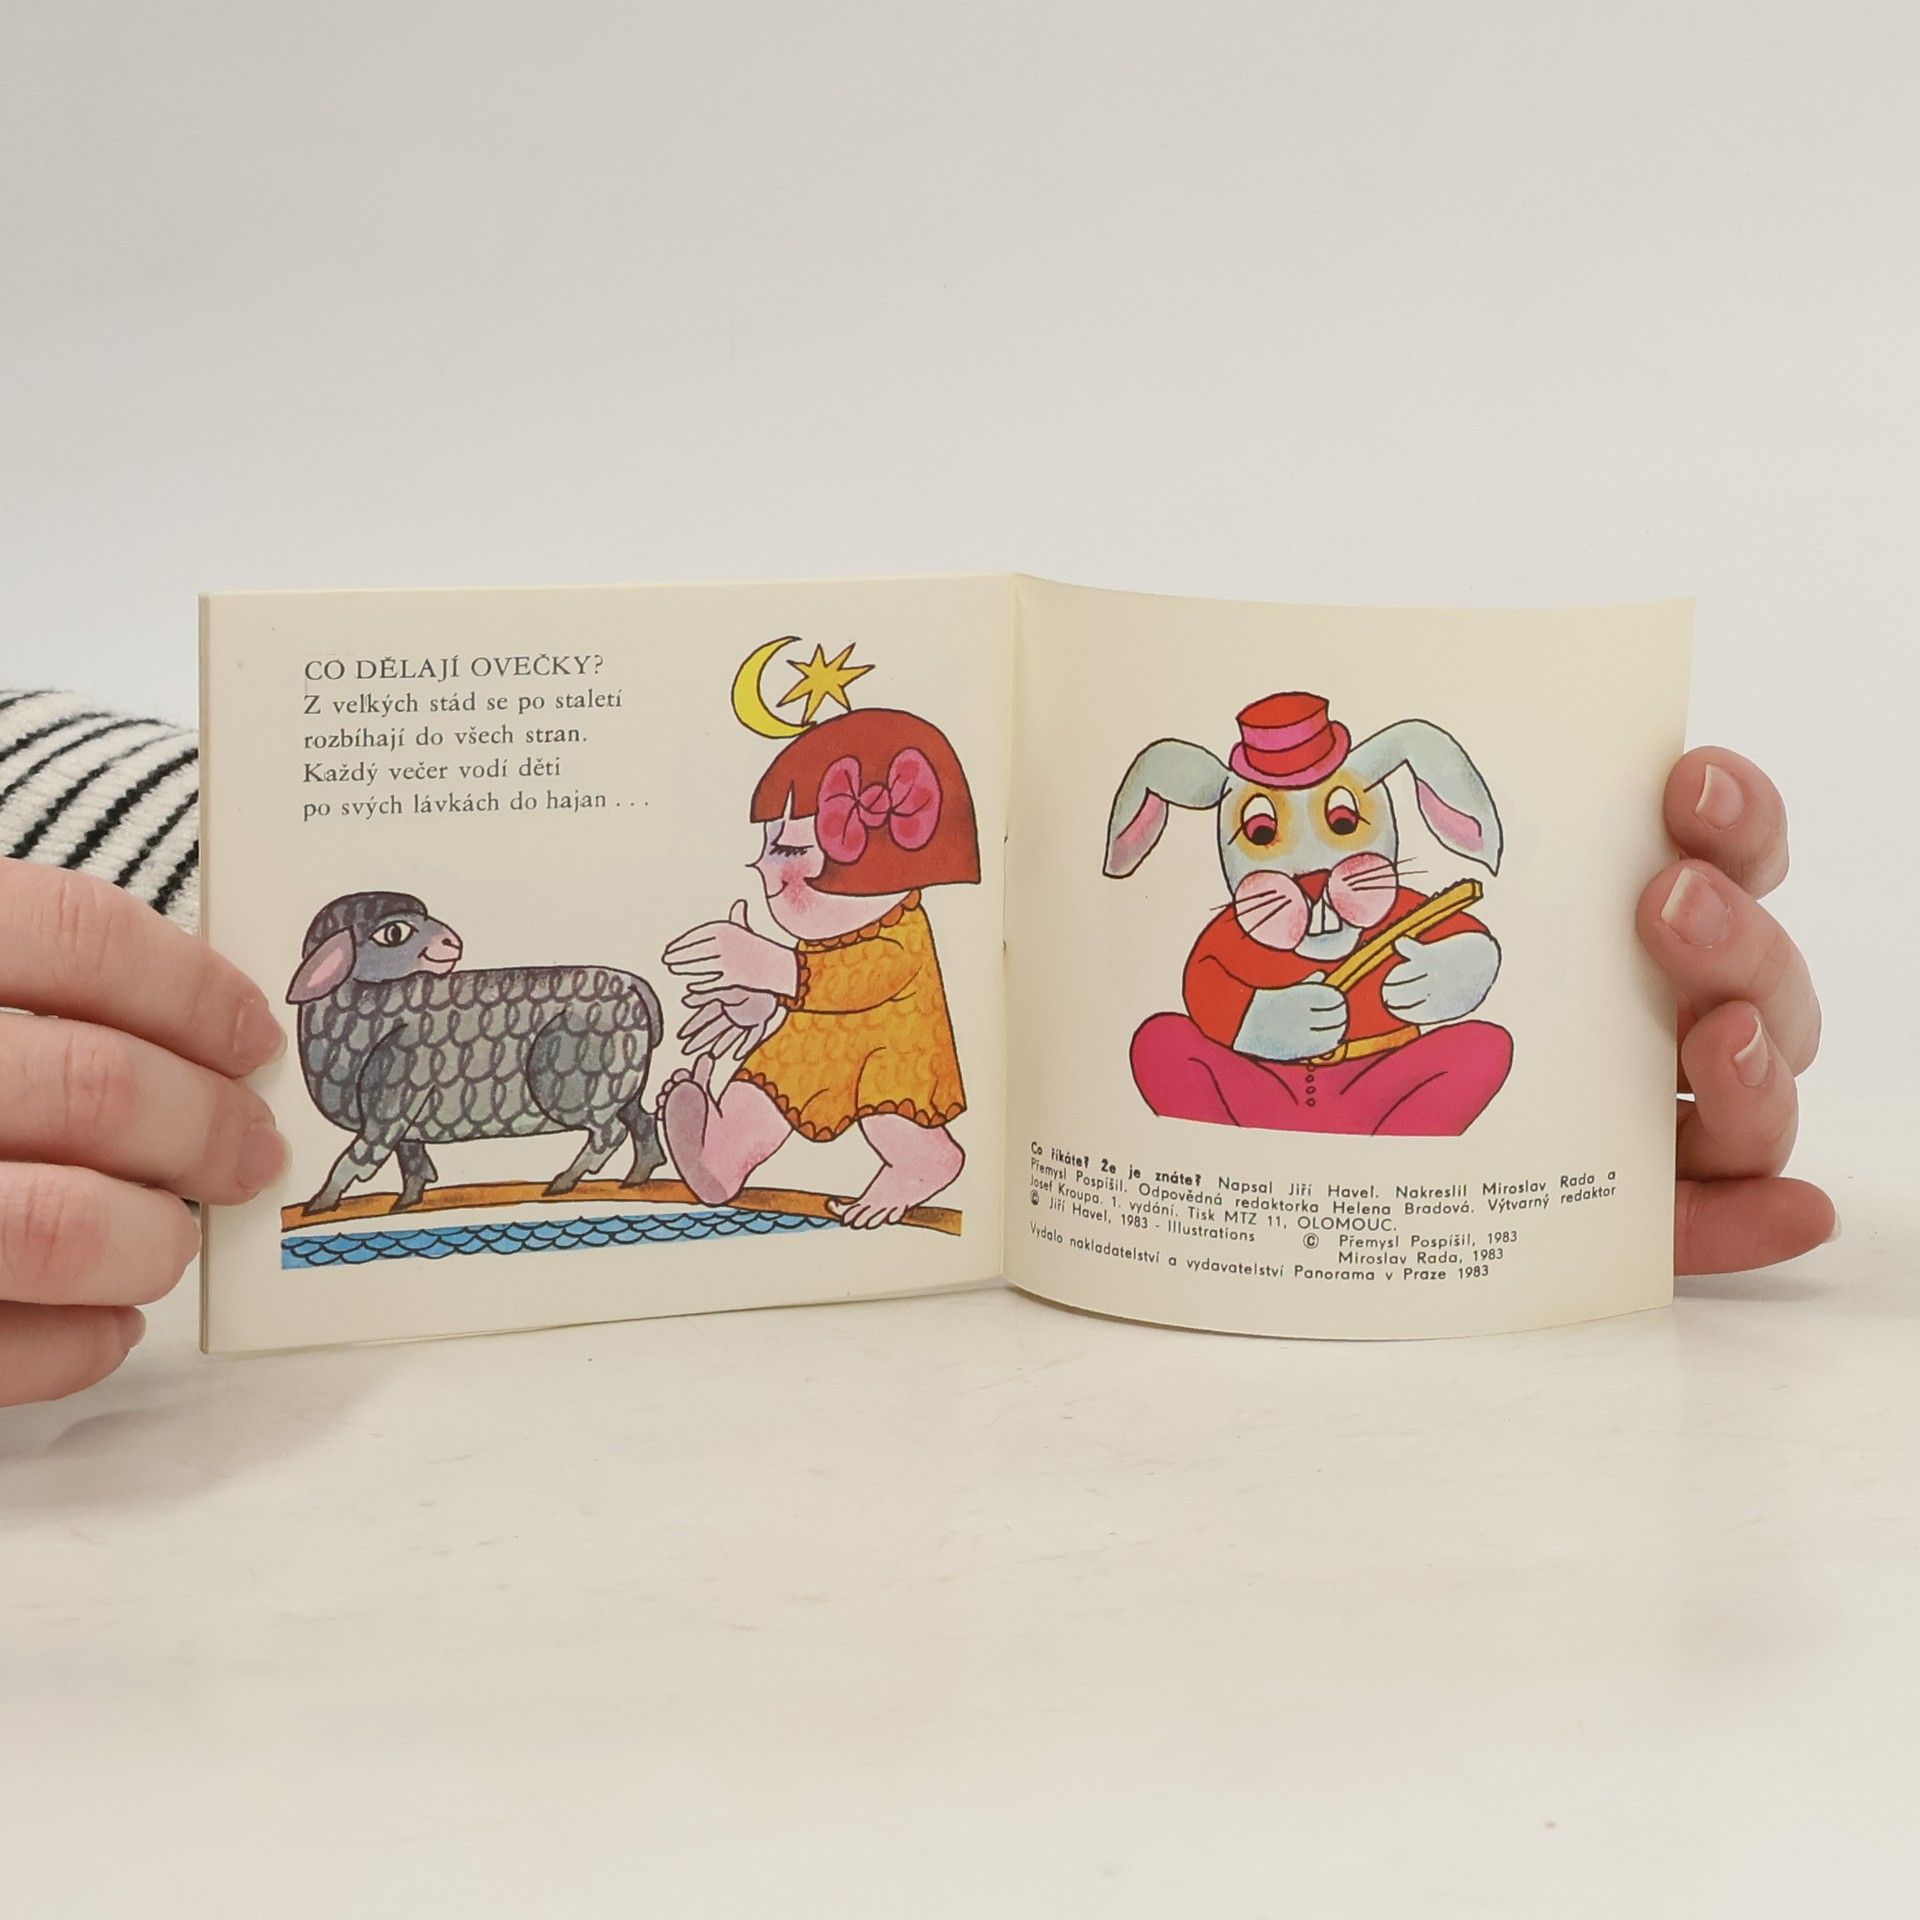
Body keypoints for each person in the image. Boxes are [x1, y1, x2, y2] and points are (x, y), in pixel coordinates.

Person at [0, 690, 1834, 1407]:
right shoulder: (1180, 923)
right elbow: (1193, 1006)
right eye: (1271, 836)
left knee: (1459, 1062)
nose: (1310, 866)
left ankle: (913, 1151)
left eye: (1344, 827)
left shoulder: (894, 932)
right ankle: (745, 1144)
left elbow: (875, 980)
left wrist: (1492, 985)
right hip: (868, 1053)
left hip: (914, 1055)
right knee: (1159, 1056)